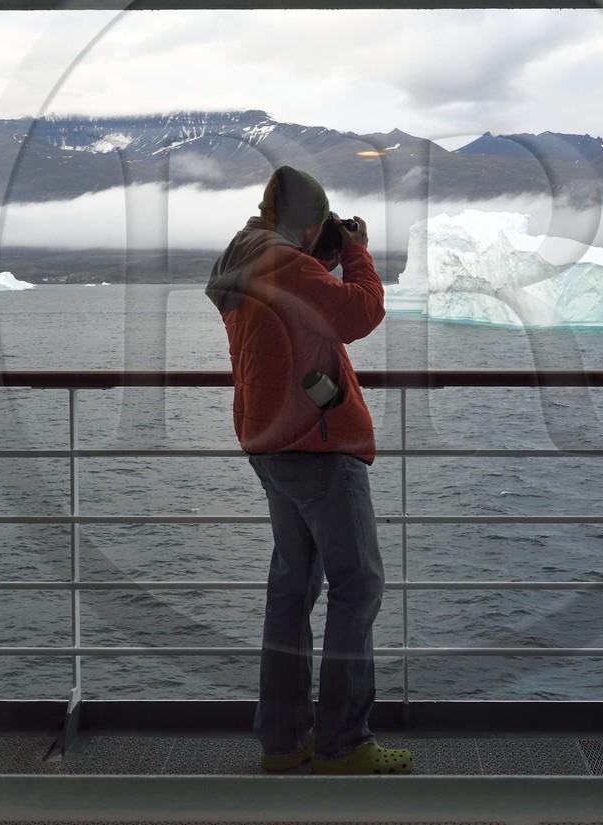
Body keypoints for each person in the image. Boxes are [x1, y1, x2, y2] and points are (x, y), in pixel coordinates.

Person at [205, 165, 412, 775]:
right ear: (310, 220)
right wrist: (356, 252)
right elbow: (358, 314)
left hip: (270, 443)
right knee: (358, 586)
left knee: (292, 592)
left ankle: (284, 739)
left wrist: (320, 243)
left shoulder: (244, 259)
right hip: (316, 447)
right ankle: (345, 742)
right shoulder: (288, 266)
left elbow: (299, 323)